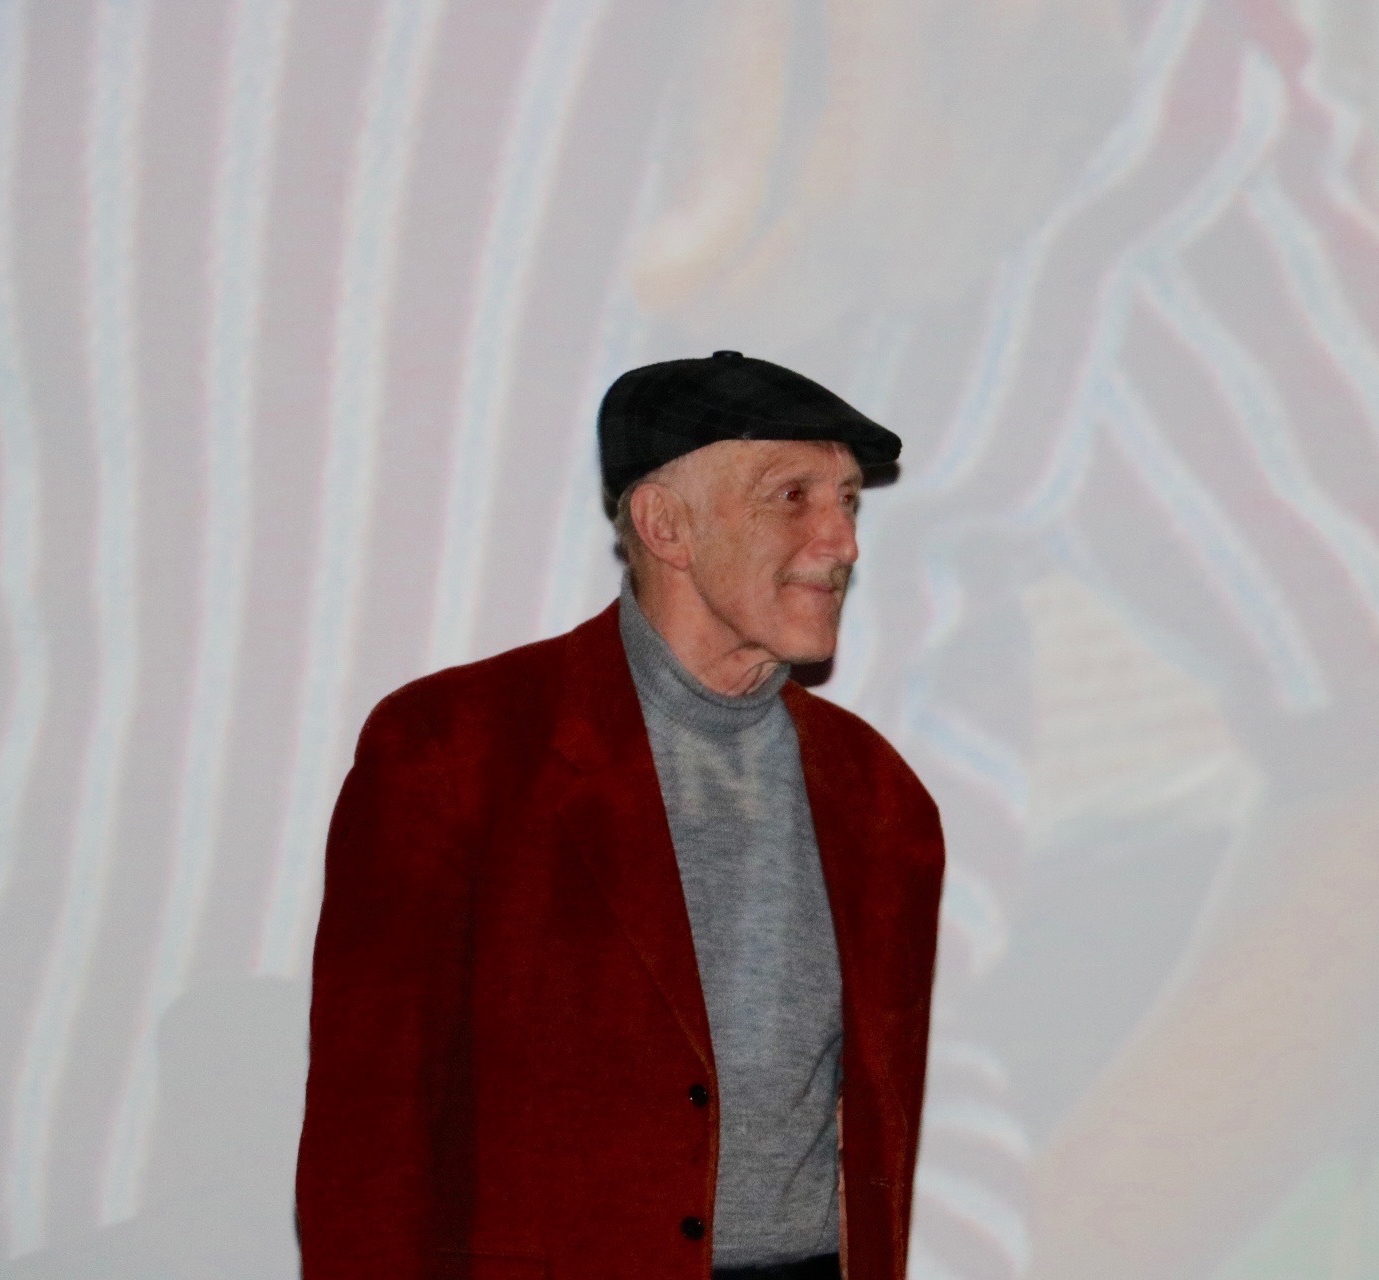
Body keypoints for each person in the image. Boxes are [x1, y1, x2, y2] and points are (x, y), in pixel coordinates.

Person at [295, 351, 946, 1280]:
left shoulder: (880, 796)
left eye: (847, 501)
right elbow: (368, 1142)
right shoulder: (452, 751)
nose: (842, 542)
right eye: (793, 496)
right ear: (664, 524)